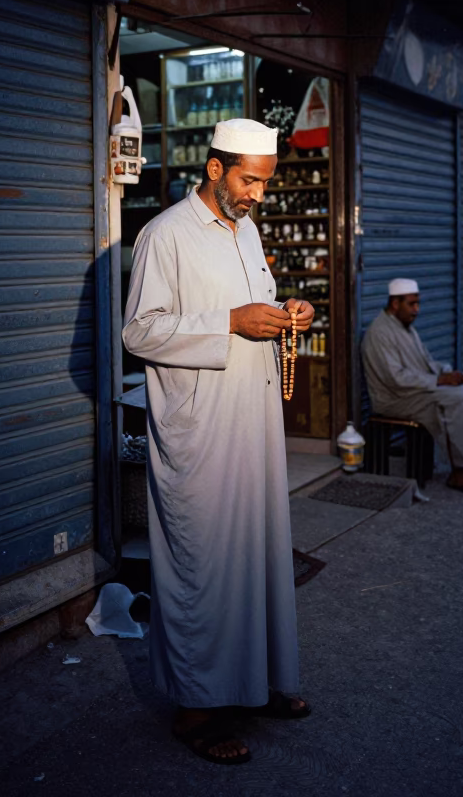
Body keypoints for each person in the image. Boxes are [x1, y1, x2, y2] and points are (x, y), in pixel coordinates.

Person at [122, 118, 314, 765]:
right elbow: (140, 333)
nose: (259, 193)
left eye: (265, 181)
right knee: (203, 565)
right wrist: (227, 322)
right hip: (201, 430)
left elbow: (249, 308)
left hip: (252, 424)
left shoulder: (248, 229)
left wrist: (287, 313)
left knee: (255, 554)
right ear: (214, 168)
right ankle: (197, 710)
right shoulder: (165, 235)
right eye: (249, 180)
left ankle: (256, 684)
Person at [361, 278, 463, 496]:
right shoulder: (379, 333)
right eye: (411, 304)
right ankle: (460, 472)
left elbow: (425, 362)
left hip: (418, 390)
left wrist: (445, 372)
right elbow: (396, 378)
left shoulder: (406, 328)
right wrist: (439, 381)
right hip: (396, 398)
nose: (417, 310)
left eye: (417, 304)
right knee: (456, 402)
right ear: (395, 304)